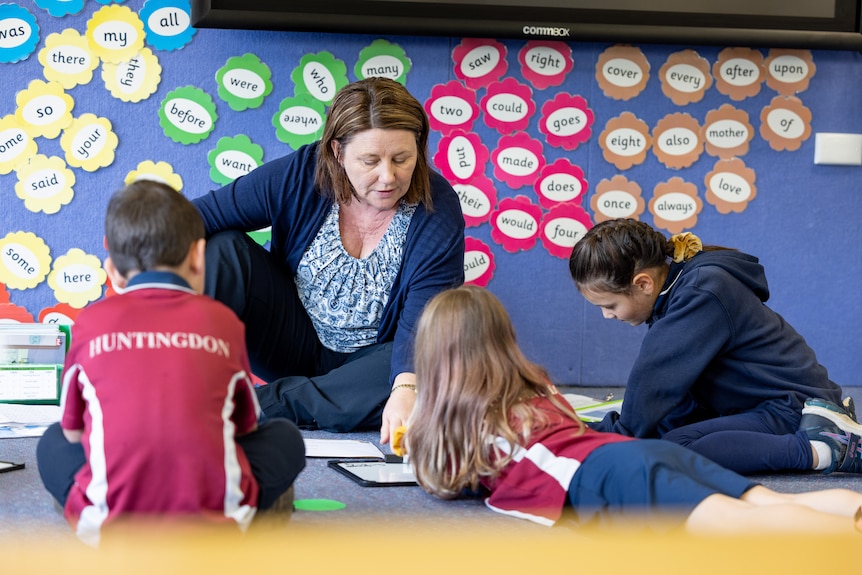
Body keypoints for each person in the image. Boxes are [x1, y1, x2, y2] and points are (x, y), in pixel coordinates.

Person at [400, 285, 862, 534]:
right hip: (641, 452)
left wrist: (416, 427)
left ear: (433, 354)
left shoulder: (465, 421)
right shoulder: (535, 386)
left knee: (748, 527)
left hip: (609, 474)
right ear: (502, 338)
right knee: (773, 504)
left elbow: (442, 479)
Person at [192, 77, 465, 442]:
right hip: (291, 339)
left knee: (437, 356)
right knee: (223, 250)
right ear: (337, 151)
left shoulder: (437, 206)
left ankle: (252, 407)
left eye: (402, 158)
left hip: (373, 366)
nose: (388, 176)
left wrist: (407, 391)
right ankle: (185, 381)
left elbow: (425, 319)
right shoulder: (302, 173)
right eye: (370, 160)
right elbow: (199, 217)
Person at [36, 181, 306, 546]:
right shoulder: (222, 322)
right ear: (198, 258)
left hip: (110, 531)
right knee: (285, 438)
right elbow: (244, 428)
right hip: (216, 528)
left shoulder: (88, 324)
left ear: (112, 271)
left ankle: (90, 517)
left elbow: (71, 434)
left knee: (50, 442)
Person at [567, 218, 862, 475]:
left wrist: (608, 438)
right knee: (664, 436)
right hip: (763, 404)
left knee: (676, 449)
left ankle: (824, 447)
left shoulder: (701, 292)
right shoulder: (679, 289)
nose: (607, 315)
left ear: (643, 283)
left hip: (795, 408)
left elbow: (655, 382)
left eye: (609, 305)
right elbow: (674, 393)